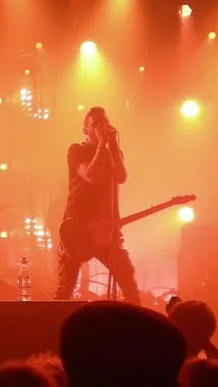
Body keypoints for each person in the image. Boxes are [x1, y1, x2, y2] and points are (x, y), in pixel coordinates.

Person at [55, 107, 140, 304]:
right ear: (86, 130)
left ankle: (134, 320)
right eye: (96, 125)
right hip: (77, 229)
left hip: (103, 231)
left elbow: (122, 177)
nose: (101, 128)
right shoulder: (77, 150)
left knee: (127, 280)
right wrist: (102, 145)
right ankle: (53, 323)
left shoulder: (111, 153)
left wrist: (113, 148)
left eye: (104, 123)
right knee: (65, 290)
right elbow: (91, 176)